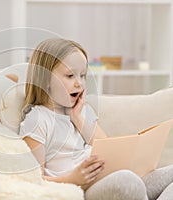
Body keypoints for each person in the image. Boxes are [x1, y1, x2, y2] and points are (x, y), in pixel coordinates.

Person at [19, 38, 173, 200]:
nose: (79, 83)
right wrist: (73, 179)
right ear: (45, 80)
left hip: (112, 177)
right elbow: (33, 179)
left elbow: (107, 149)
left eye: (83, 75)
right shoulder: (38, 118)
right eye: (70, 75)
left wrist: (78, 117)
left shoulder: (82, 111)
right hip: (83, 188)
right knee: (127, 180)